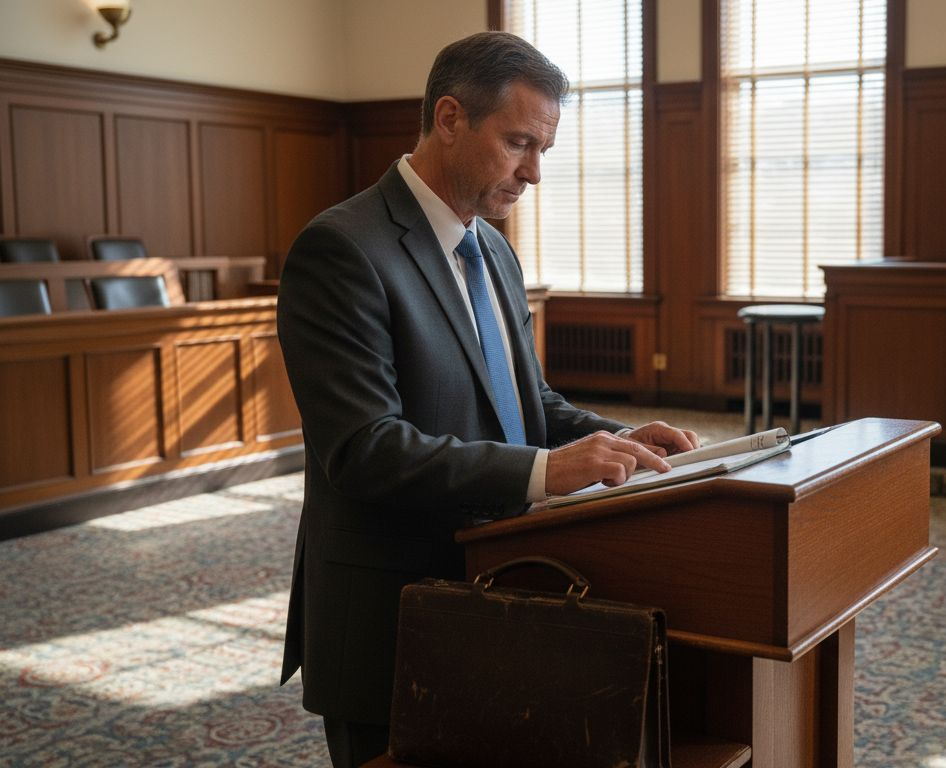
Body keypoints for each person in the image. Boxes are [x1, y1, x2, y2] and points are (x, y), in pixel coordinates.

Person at [275, 31, 699, 768]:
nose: (534, 173)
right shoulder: (342, 250)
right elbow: (364, 449)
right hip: (390, 618)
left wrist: (619, 439)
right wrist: (543, 472)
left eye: (544, 150)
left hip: (499, 597)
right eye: (519, 144)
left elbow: (525, 401)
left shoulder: (494, 247)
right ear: (449, 118)